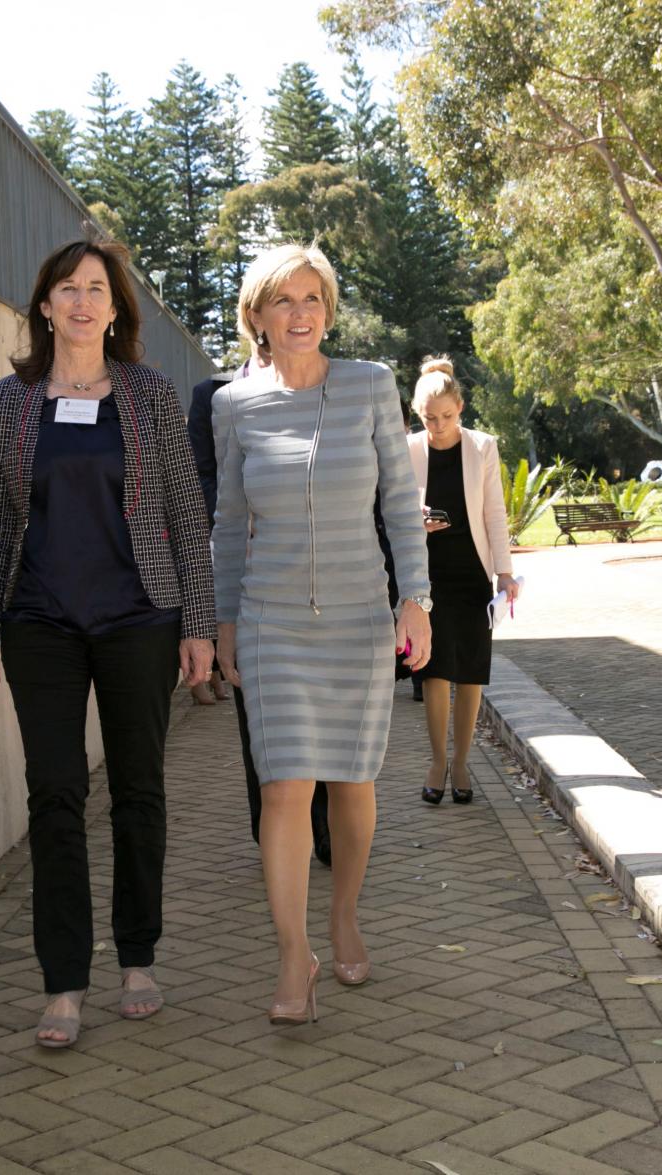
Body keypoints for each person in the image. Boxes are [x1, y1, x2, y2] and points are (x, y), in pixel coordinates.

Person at [0, 239, 215, 1049]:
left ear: (115, 308)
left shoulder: (148, 394)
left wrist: (200, 624)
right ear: (44, 305)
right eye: (66, 288)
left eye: (96, 289)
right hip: (40, 622)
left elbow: (184, 513)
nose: (80, 301)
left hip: (140, 617)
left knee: (139, 788)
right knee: (56, 793)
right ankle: (63, 980)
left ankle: (137, 956)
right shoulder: (11, 402)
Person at [213, 243, 432, 1025]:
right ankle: (292, 953)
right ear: (258, 317)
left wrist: (417, 599)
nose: (300, 314)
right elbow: (229, 522)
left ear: (327, 309)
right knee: (283, 788)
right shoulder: (233, 405)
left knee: (353, 783)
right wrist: (224, 619)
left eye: (312, 299)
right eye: (283, 302)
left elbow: (402, 505)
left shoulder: (371, 387)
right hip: (271, 619)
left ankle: (344, 913)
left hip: (358, 617)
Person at [188, 361, 333, 867]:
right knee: (264, 720)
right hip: (250, 579)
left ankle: (326, 826)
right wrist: (238, 512)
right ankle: (270, 829)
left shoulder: (331, 386)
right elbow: (199, 474)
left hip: (324, 583)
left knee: (325, 715)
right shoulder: (214, 395)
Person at [407, 357, 519, 805]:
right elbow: (391, 510)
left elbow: (494, 510)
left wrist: (505, 572)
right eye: (429, 418)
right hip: (427, 572)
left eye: (447, 416)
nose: (437, 426)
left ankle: (463, 761)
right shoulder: (407, 448)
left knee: (470, 672)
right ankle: (437, 761)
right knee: (433, 670)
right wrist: (416, 522)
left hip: (472, 570)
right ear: (418, 415)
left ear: (461, 407)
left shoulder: (482, 447)